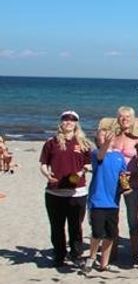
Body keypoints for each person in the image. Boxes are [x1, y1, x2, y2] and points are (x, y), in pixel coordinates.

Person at [39, 110, 92, 267]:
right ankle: (59, 255)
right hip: (54, 191)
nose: (69, 122)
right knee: (57, 227)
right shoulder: (51, 142)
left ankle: (76, 255)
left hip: (77, 192)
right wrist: (47, 175)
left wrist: (81, 172)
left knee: (76, 226)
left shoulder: (83, 143)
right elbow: (43, 164)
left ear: (76, 123)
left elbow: (88, 164)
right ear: (61, 122)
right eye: (65, 119)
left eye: (72, 120)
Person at [82, 129, 127, 275]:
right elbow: (101, 156)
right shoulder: (96, 153)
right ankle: (91, 257)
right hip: (97, 201)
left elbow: (123, 174)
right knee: (97, 233)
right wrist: (106, 143)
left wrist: (125, 182)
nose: (107, 137)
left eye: (109, 135)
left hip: (113, 201)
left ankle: (104, 263)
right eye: (103, 135)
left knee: (110, 234)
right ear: (97, 139)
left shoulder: (119, 156)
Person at [107, 106, 138, 264]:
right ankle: (113, 252)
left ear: (133, 120)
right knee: (112, 218)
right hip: (113, 183)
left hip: (132, 183)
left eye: (128, 117)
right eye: (122, 117)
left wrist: (135, 174)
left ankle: (135, 254)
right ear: (118, 119)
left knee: (132, 219)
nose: (125, 119)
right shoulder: (113, 138)